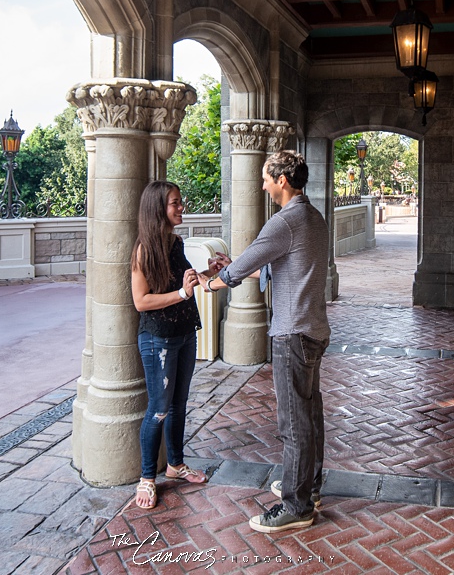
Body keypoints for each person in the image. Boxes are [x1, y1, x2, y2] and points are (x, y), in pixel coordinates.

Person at [202, 150, 330, 532]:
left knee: (293, 422)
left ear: (283, 180)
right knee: (310, 415)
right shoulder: (314, 217)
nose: (261, 185)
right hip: (313, 330)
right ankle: (310, 486)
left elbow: (243, 266)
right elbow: (287, 271)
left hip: (292, 333)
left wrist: (212, 282)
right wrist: (236, 270)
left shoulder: (284, 221)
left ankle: (295, 505)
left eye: (266, 178)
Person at [130, 181, 222, 509]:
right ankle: (146, 478)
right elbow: (141, 301)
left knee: (179, 405)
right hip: (158, 340)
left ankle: (175, 464)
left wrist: (206, 271)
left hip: (185, 331)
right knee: (158, 409)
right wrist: (183, 294)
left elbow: (181, 280)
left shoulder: (174, 241)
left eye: (180, 202)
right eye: (175, 203)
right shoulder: (143, 249)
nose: (181, 207)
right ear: (159, 209)